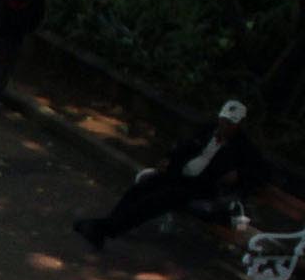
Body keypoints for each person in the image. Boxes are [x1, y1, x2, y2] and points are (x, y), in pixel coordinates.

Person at [74, 99, 268, 249]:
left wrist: (238, 175)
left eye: (230, 124)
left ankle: (104, 229)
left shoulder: (243, 147)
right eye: (223, 121)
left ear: (238, 125)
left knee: (157, 201)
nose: (224, 126)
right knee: (141, 188)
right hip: (178, 174)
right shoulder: (208, 130)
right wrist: (168, 159)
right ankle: (107, 225)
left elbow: (260, 173)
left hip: (200, 187)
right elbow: (183, 147)